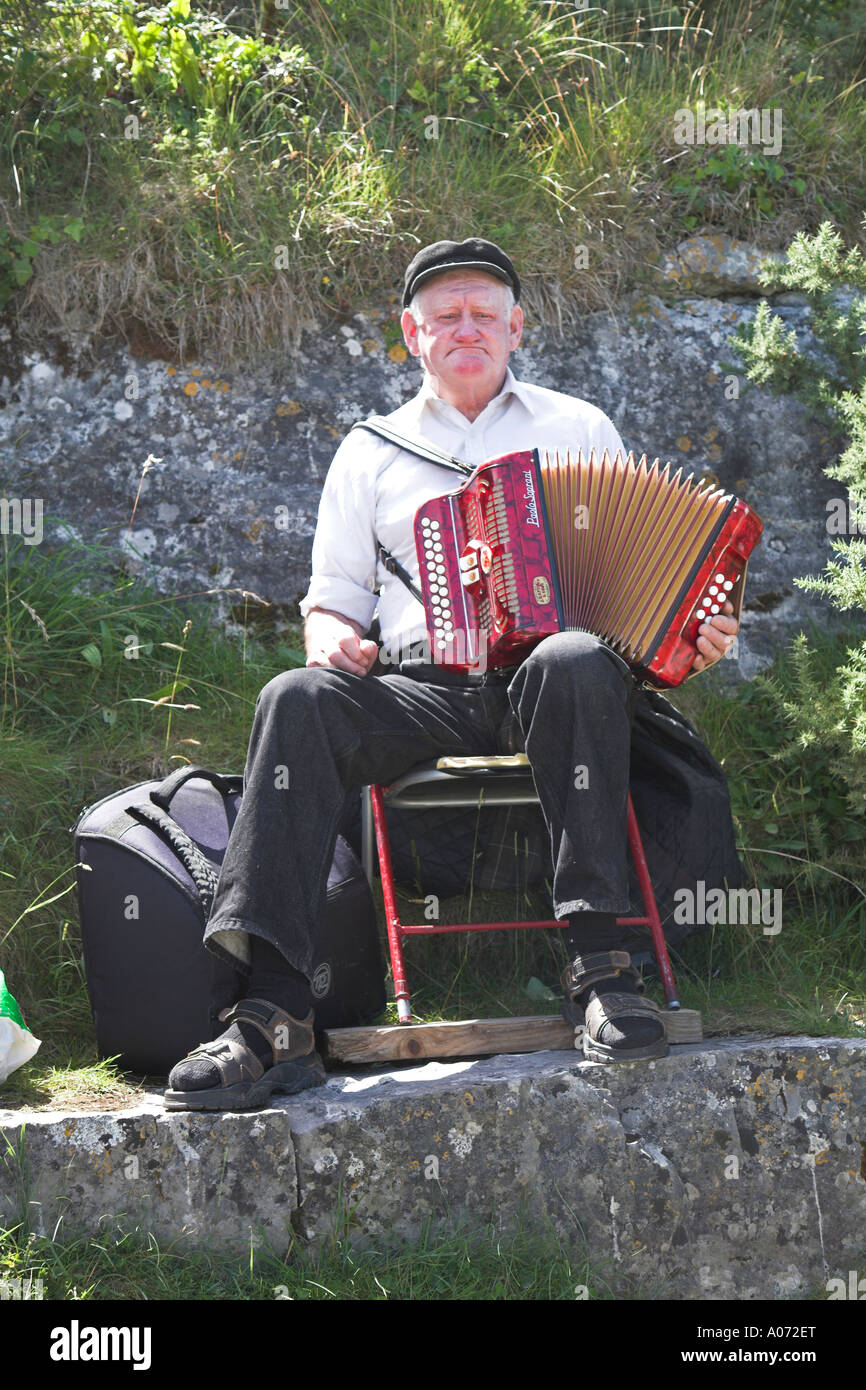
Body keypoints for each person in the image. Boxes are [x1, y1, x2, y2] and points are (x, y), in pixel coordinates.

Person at [164, 238, 739, 1112]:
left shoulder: (579, 427)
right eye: (445, 317)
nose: (465, 329)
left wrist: (694, 636)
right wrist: (330, 643)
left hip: (552, 687)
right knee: (296, 697)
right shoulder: (369, 450)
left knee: (577, 653)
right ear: (412, 333)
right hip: (422, 691)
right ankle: (273, 1011)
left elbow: (639, 590)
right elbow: (330, 601)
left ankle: (601, 964)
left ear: (515, 328)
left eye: (483, 314)